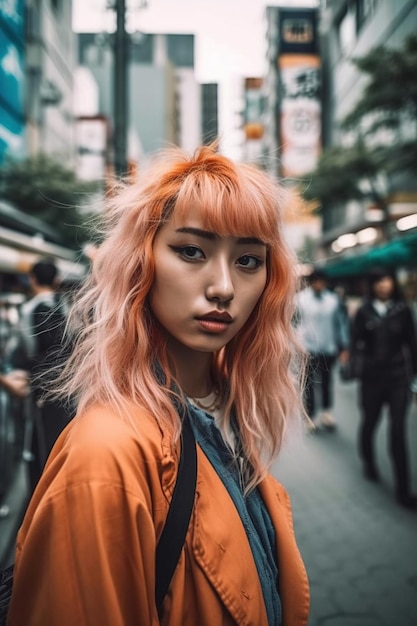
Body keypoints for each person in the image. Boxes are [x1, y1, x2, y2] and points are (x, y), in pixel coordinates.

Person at [7, 145, 310, 625]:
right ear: (138, 261)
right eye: (190, 250)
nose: (224, 287)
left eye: (249, 260)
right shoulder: (105, 453)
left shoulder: (227, 412)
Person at [351, 267, 417, 510]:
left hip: (398, 379)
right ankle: (369, 463)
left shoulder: (403, 311)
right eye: (378, 281)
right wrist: (357, 361)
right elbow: (355, 341)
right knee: (369, 423)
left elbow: (413, 346)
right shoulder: (363, 311)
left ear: (393, 283)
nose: (383, 285)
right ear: (372, 285)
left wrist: (415, 382)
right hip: (371, 380)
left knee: (398, 431)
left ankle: (403, 490)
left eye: (387, 280)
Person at [8, 259, 73, 494]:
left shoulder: (32, 309)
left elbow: (43, 352)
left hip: (41, 387)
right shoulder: (62, 306)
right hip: (59, 385)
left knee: (40, 440)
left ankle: (42, 493)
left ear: (32, 279)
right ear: (56, 281)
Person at [296, 268, 349, 430]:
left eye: (322, 281)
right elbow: (292, 323)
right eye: (316, 281)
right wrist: (296, 345)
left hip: (328, 347)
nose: (319, 284)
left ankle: (327, 413)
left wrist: (344, 346)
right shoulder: (299, 299)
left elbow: (340, 324)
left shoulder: (333, 300)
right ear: (311, 282)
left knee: (327, 382)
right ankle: (310, 417)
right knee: (309, 383)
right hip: (307, 348)